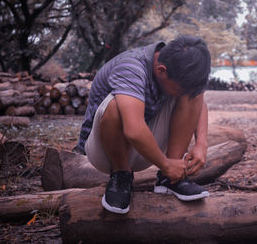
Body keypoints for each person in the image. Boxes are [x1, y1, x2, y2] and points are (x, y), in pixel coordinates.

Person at [75, 35, 211, 214]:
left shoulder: (172, 68)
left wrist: (201, 143)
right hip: (105, 150)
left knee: (193, 91)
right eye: (176, 89)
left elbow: (198, 101)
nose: (178, 94)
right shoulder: (131, 67)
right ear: (161, 70)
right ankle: (121, 175)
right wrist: (166, 164)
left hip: (146, 146)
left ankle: (170, 180)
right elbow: (134, 130)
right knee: (115, 105)